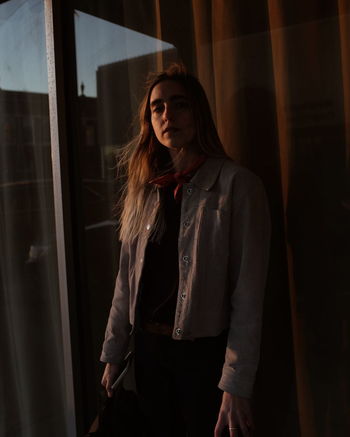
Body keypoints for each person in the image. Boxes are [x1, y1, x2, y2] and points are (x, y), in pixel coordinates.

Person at [100, 63, 271, 437]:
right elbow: (125, 282)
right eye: (157, 107)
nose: (167, 115)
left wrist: (236, 384)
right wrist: (114, 353)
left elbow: (249, 293)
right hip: (147, 353)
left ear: (199, 113)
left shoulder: (238, 186)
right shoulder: (145, 189)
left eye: (179, 104)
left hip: (202, 359)